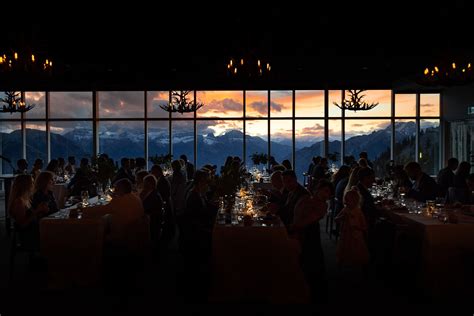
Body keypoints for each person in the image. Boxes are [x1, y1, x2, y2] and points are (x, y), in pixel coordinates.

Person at [291, 179, 332, 303]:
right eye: (325, 191)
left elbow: (307, 220)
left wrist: (294, 226)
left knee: (312, 262)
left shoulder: (322, 205)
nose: (326, 194)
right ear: (318, 189)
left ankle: (313, 292)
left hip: (311, 234)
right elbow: (297, 214)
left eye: (329, 193)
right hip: (305, 232)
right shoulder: (306, 199)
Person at [8, 174, 49, 251]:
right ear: (25, 185)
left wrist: (41, 210)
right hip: (28, 236)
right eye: (32, 183)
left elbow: (30, 216)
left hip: (32, 231)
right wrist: (37, 211)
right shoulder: (19, 202)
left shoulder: (25, 199)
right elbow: (22, 225)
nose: (34, 185)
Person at [335, 188, 369, 268]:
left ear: (356, 201)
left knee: (356, 251)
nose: (346, 202)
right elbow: (336, 219)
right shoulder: (345, 210)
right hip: (345, 234)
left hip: (356, 235)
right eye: (346, 200)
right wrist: (342, 217)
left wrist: (358, 228)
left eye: (348, 200)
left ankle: (355, 264)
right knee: (345, 249)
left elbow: (364, 225)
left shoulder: (358, 212)